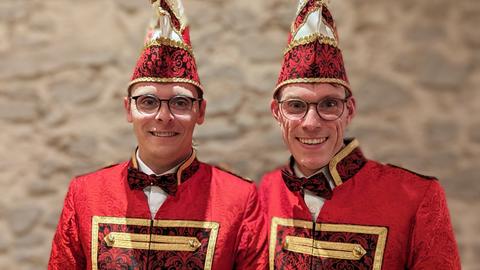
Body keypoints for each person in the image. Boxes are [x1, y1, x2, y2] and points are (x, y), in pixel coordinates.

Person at [48, 1, 267, 269]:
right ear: (128, 109)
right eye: (148, 102)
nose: (163, 116)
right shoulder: (85, 195)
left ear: (201, 112)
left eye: (180, 103)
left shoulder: (240, 199)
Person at [258, 0, 461, 269]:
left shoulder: (417, 198)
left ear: (349, 110)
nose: (311, 122)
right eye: (296, 106)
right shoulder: (262, 195)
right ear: (276, 112)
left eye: (329, 104)